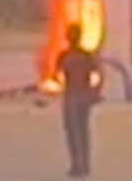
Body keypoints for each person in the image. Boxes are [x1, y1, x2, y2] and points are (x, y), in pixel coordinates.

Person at [55, 23, 101, 178]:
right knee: (82, 131)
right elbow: (99, 74)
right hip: (83, 96)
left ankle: (77, 164)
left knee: (73, 132)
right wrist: (95, 92)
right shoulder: (86, 55)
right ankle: (83, 164)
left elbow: (57, 75)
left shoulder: (64, 56)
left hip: (72, 97)